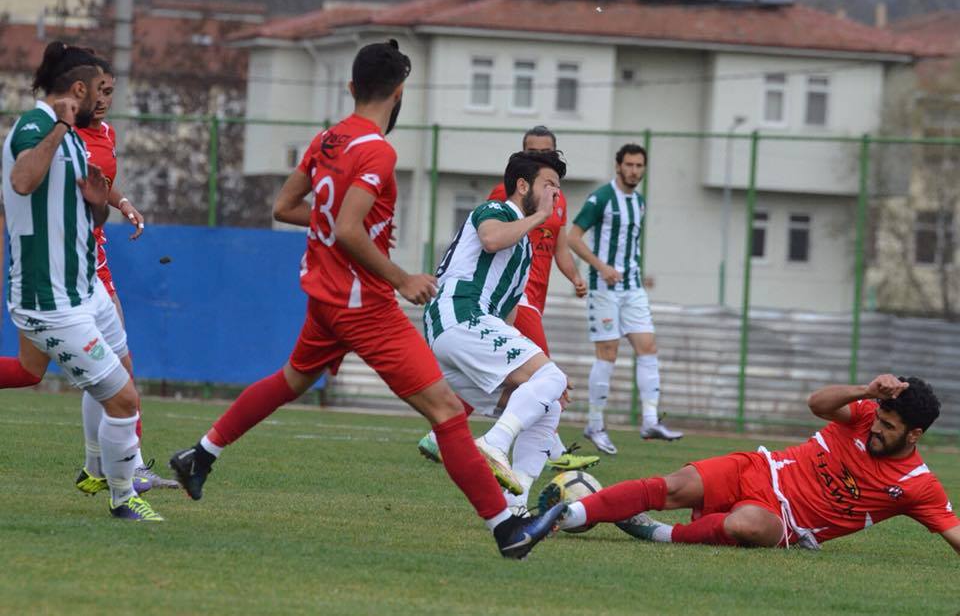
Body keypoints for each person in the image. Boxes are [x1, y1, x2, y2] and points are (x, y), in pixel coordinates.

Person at [168, 40, 564, 558]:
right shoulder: (377, 150)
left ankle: (201, 455)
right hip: (362, 303)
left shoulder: (328, 140)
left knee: (290, 380)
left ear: (352, 87)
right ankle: (506, 528)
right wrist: (399, 277)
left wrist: (337, 228)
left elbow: (285, 207)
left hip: (324, 293)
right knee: (447, 412)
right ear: (399, 94)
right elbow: (351, 228)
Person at [2, 41, 161, 520]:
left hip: (84, 288)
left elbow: (76, 207)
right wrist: (61, 127)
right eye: (100, 90)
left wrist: (99, 200)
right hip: (51, 299)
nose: (105, 98)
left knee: (41, 373)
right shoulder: (37, 126)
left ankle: (110, 475)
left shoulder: (76, 137)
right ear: (78, 89)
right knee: (123, 397)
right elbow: (23, 181)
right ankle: (121, 495)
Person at [540, 374, 960, 555]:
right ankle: (569, 513)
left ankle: (657, 533)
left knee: (745, 526)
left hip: (784, 520)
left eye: (889, 427)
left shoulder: (917, 485)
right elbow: (817, 404)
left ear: (914, 435)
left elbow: (953, 533)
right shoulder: (866, 412)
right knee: (673, 486)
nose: (876, 429)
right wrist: (865, 389)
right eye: (880, 418)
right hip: (762, 468)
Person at [416, 126, 597, 475]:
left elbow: (509, 317)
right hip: (460, 315)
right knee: (551, 379)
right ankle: (494, 443)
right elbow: (491, 240)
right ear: (524, 186)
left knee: (546, 407)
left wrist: (528, 372)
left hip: (457, 330)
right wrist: (540, 216)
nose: (555, 195)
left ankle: (515, 508)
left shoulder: (525, 247)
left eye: (557, 189)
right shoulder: (497, 209)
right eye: (549, 186)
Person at [567, 143, 682, 454]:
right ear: (618, 166)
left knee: (648, 347)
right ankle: (594, 423)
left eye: (639, 166)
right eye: (629, 165)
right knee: (608, 352)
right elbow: (572, 237)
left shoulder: (640, 203)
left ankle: (649, 420)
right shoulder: (601, 198)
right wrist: (601, 267)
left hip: (632, 288)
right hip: (603, 289)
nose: (634, 170)